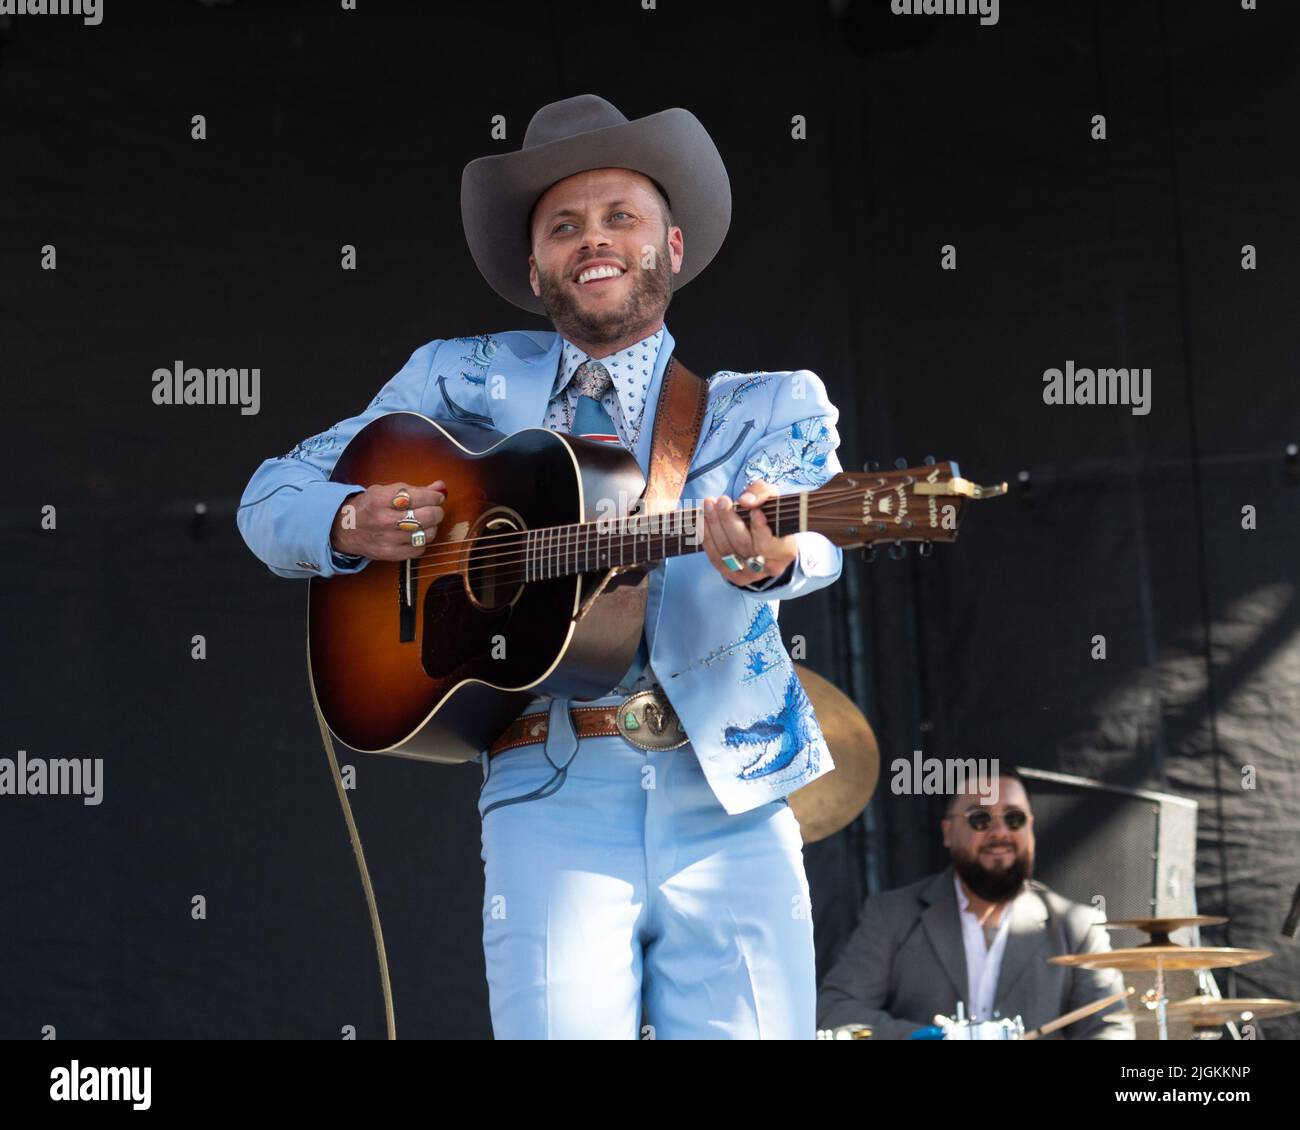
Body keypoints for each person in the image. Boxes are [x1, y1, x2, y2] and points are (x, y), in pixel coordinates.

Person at [236, 94, 846, 1038]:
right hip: (545, 787)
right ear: (535, 268)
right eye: (564, 226)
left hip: (730, 793)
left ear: (670, 248)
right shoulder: (456, 377)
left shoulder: (769, 406)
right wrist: (351, 519)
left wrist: (771, 558)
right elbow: (269, 495)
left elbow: (818, 539)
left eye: (620, 218)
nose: (592, 241)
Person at [816, 767, 1135, 1039]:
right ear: (948, 831)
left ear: (1031, 828)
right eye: (980, 818)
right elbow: (834, 1011)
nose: (999, 832)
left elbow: (1111, 1030)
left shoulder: (1078, 927)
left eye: (1014, 818)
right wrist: (912, 1037)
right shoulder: (891, 915)